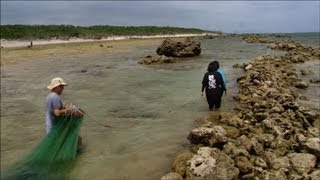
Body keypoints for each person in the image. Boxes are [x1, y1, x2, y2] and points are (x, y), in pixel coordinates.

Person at [45, 77, 83, 147]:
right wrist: (68, 110)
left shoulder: (49, 96)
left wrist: (65, 107)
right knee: (77, 140)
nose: (63, 89)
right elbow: (57, 113)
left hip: (50, 126)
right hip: (55, 127)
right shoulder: (55, 97)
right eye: (62, 86)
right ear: (56, 87)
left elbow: (53, 110)